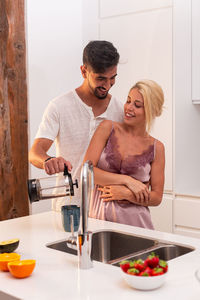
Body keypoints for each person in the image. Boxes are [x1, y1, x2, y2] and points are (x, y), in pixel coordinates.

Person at [29, 40, 124, 211]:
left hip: (106, 210)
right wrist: (48, 161)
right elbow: (35, 153)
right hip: (68, 208)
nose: (108, 85)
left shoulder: (120, 111)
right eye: (101, 78)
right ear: (84, 71)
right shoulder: (59, 106)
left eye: (113, 78)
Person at [84, 79, 165, 229]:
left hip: (137, 226)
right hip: (99, 222)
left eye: (137, 105)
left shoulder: (157, 148)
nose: (129, 108)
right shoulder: (107, 128)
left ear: (151, 111)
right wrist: (128, 181)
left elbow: (157, 197)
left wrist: (127, 194)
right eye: (128, 101)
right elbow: (87, 172)